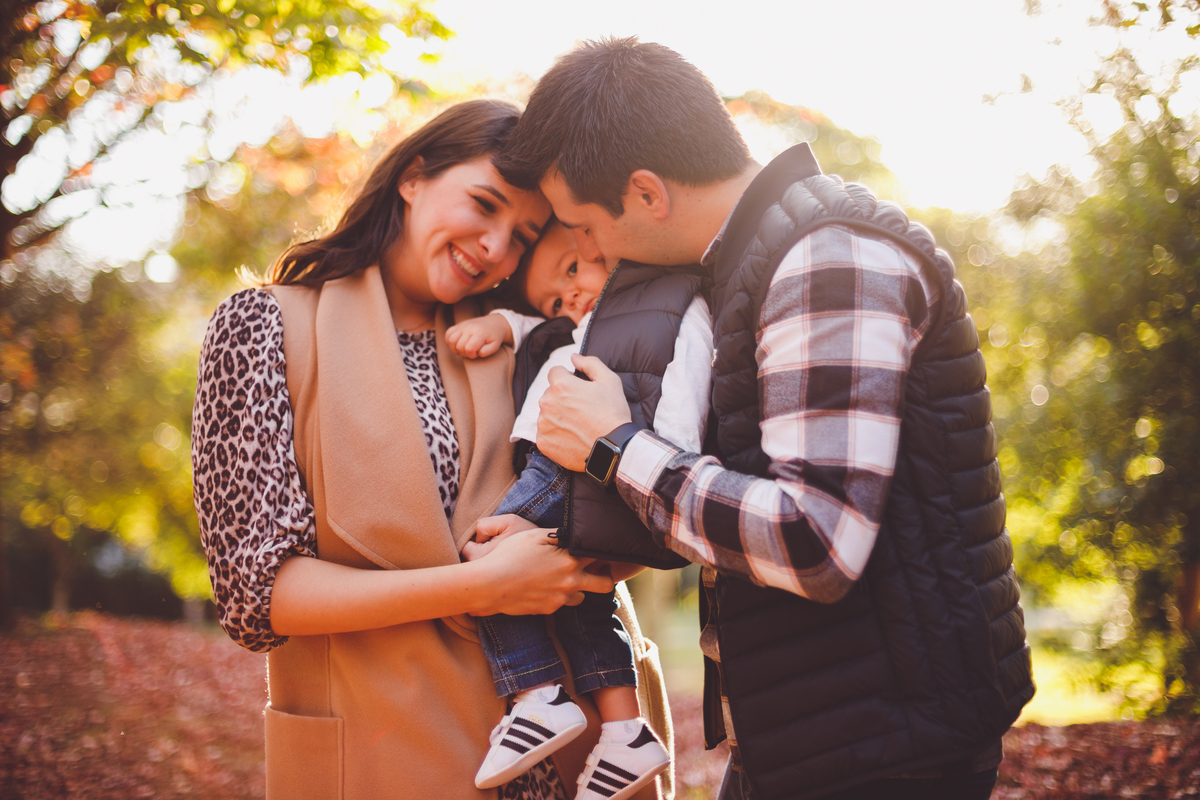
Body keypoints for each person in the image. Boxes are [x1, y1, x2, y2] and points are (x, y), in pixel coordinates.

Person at [496, 39, 1036, 800]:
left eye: (583, 225)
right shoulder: (750, 265)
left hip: (887, 748)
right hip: (821, 730)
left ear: (647, 194)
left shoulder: (826, 261)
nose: (585, 250)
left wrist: (614, 447)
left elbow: (815, 541)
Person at [190, 99, 668, 800]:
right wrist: (484, 587)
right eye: (484, 204)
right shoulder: (264, 327)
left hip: (581, 758)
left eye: (522, 235)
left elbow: (632, 507)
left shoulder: (534, 336)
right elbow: (255, 597)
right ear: (413, 176)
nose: (495, 248)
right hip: (388, 748)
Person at [444, 218, 711, 800]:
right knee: (585, 600)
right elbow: (537, 328)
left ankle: (536, 695)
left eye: (574, 271)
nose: (569, 298)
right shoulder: (583, 325)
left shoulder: (652, 313)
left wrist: (656, 459)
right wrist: (498, 324)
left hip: (571, 464)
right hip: (585, 467)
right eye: (557, 297)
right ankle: (625, 731)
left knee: (491, 558)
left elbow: (686, 397)